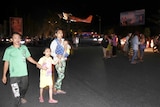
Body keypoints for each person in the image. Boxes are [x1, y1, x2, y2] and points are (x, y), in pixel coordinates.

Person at [1, 32, 41, 107]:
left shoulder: (24, 48)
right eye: (15, 38)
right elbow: (6, 63)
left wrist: (36, 63)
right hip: (14, 75)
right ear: (12, 40)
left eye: (19, 38)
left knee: (25, 87)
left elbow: (28, 57)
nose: (17, 39)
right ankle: (17, 103)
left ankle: (22, 96)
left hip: (24, 73)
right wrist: (4, 75)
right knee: (16, 93)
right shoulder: (8, 50)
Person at [50, 28, 71, 94]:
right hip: (57, 60)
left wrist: (66, 44)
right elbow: (51, 52)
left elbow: (69, 47)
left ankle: (58, 89)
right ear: (56, 34)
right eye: (59, 33)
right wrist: (56, 55)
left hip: (63, 59)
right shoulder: (54, 42)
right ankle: (55, 87)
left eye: (61, 33)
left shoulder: (63, 40)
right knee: (61, 75)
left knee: (61, 75)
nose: (61, 34)